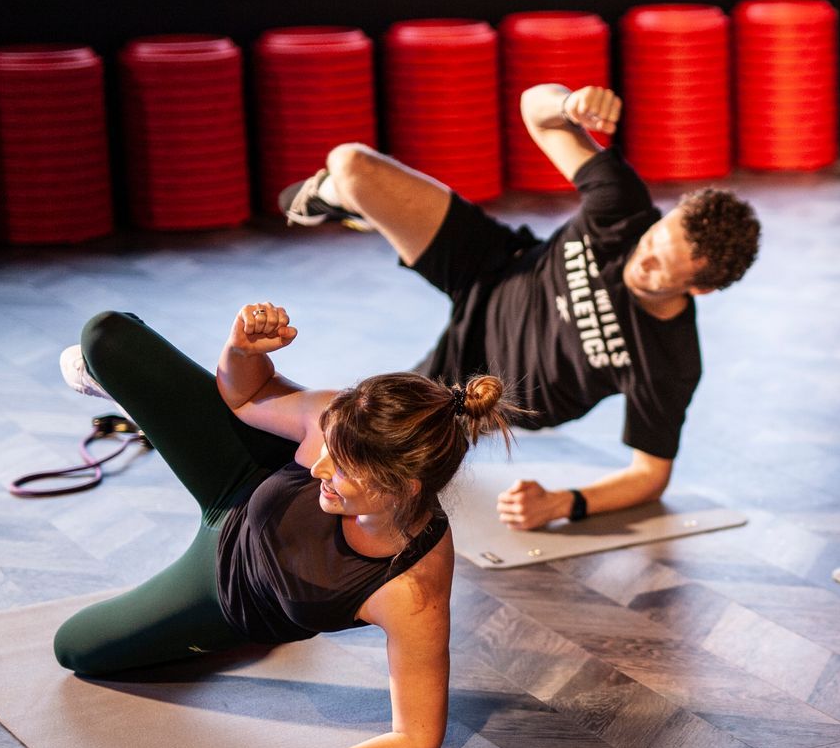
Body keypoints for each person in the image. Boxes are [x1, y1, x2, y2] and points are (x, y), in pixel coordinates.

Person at [54, 303, 511, 748]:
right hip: (242, 477)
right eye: (327, 445)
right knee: (106, 336)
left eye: (340, 468)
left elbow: (415, 743)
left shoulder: (411, 591)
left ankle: (149, 407)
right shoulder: (346, 423)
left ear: (398, 490)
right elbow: (246, 394)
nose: (318, 466)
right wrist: (242, 350)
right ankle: (133, 395)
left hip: (226, 594)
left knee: (74, 649)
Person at [277, 83, 761, 532]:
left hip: (480, 389)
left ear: (699, 290)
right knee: (351, 163)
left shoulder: (669, 360)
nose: (642, 258)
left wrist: (562, 503)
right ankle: (340, 197)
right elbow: (536, 108)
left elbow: (650, 475)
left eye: (662, 268)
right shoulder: (626, 209)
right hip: (493, 267)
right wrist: (569, 106)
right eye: (655, 237)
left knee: (359, 455)